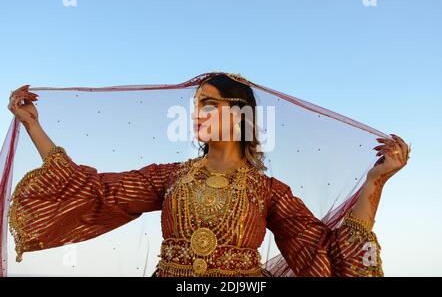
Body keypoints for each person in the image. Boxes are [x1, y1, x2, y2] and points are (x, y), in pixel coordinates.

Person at [5, 72, 410, 276]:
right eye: (196, 104)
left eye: (209, 104)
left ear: (239, 114)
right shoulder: (169, 178)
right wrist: (33, 125)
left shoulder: (268, 192)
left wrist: (376, 182)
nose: (197, 113)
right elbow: (94, 191)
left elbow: (321, 251)